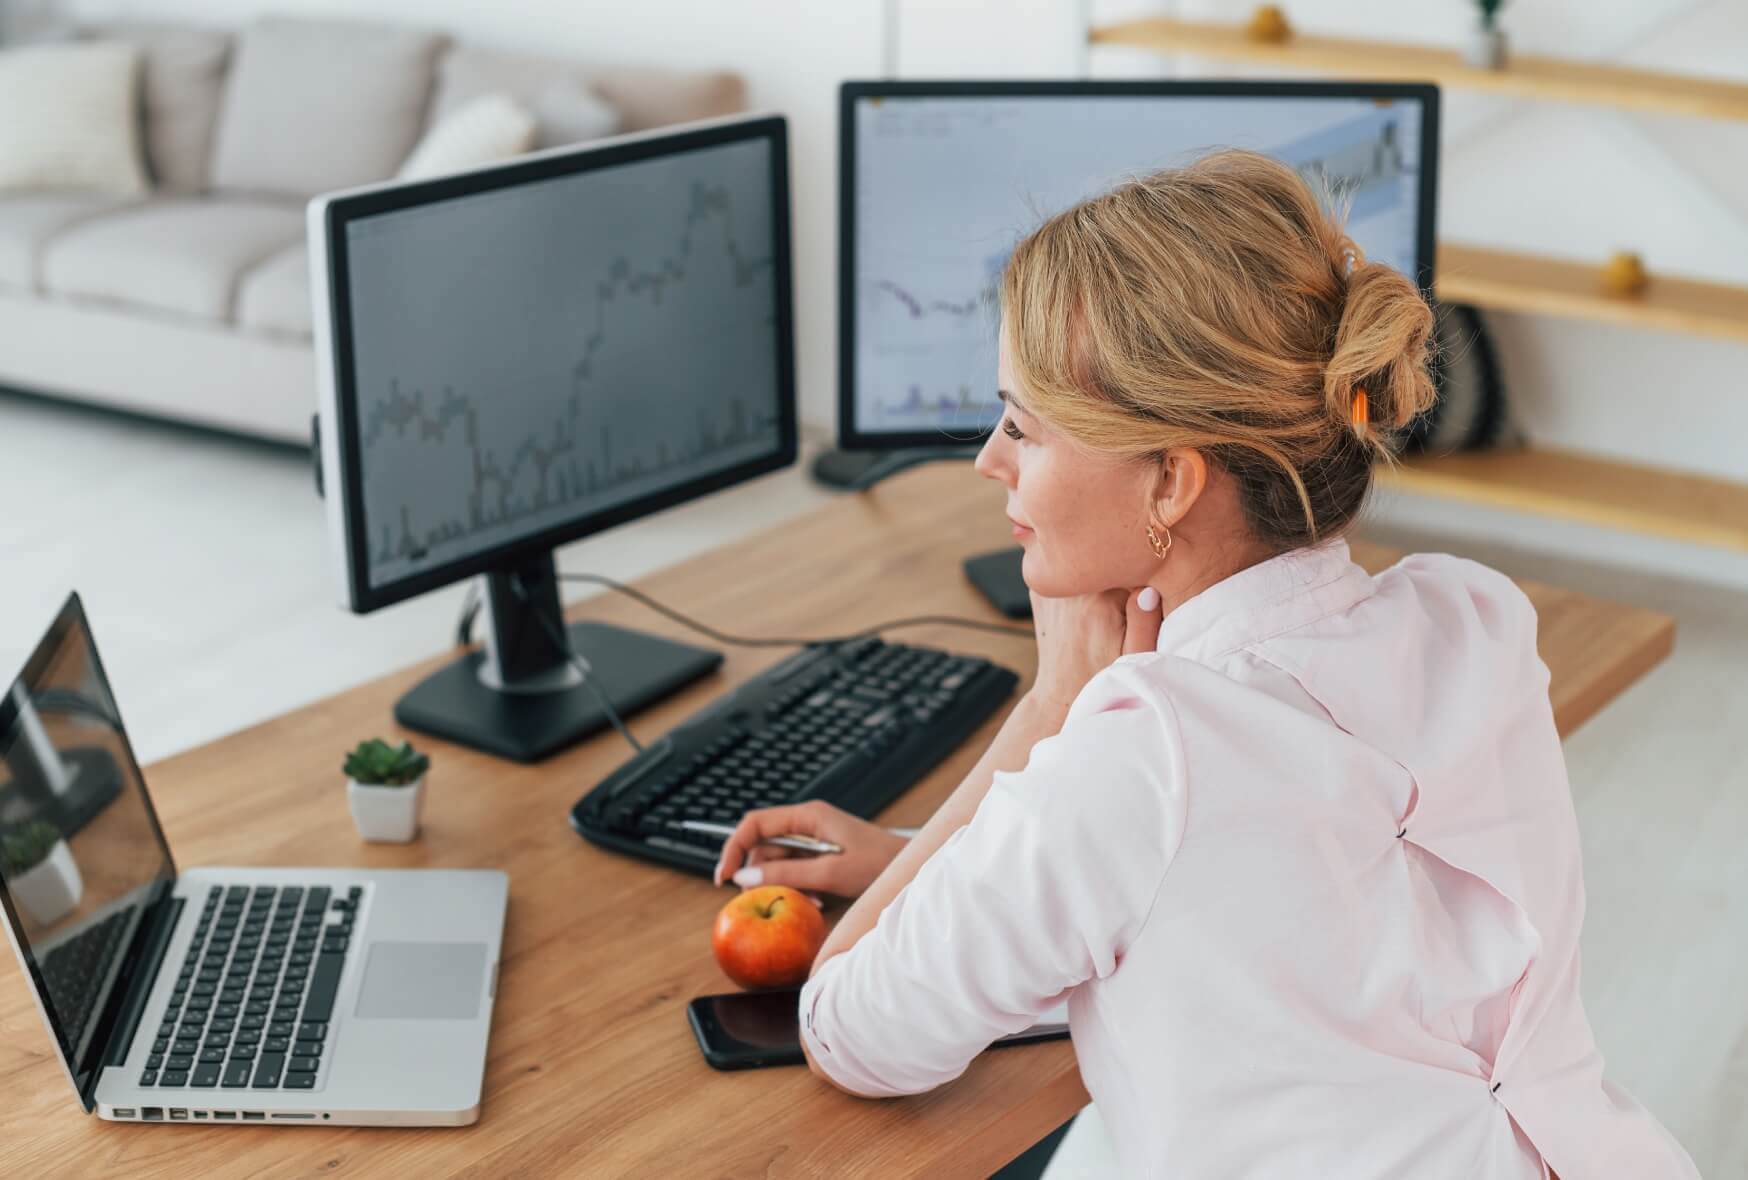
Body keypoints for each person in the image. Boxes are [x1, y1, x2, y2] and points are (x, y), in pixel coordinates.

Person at [713, 149, 1697, 1179]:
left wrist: (1049, 709)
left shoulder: (1140, 755)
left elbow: (847, 1027)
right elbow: (1263, 877)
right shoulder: (1471, 616)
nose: (987, 462)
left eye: (1022, 425)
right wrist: (930, 850)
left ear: (1170, 484)